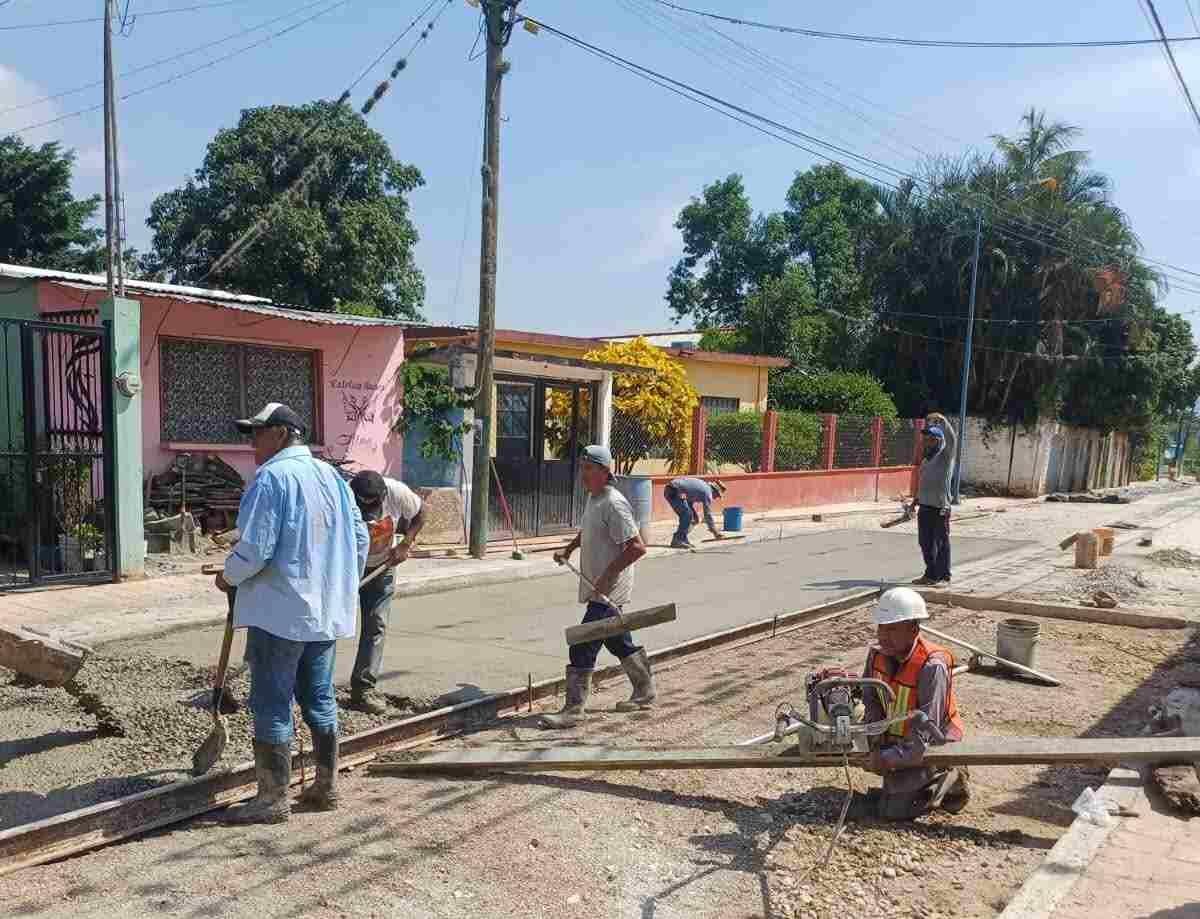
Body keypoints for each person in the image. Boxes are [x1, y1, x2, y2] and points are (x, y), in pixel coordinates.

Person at [215, 403, 368, 823]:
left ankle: (272, 798)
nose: (251, 443)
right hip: (323, 613)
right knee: (319, 696)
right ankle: (325, 786)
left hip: (280, 615)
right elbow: (359, 536)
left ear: (281, 434)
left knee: (270, 702)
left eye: (257, 433)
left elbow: (255, 548)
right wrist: (338, 582)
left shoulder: (272, 478)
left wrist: (228, 576)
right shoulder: (331, 477)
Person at [543, 445, 650, 728]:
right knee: (618, 641)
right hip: (599, 586)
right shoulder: (595, 499)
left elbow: (638, 547)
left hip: (608, 590)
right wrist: (568, 549)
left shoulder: (614, 503)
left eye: (589, 468)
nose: (583, 474)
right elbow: (588, 530)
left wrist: (605, 577)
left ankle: (573, 710)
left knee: (582, 643)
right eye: (582, 468)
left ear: (605, 472)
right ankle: (644, 690)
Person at [857, 587, 969, 820]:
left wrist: (886, 759)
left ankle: (952, 774)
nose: (884, 636)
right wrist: (873, 741)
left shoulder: (932, 666)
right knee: (891, 791)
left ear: (914, 629)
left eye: (893, 628)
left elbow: (927, 734)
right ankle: (906, 777)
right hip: (900, 737)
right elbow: (871, 700)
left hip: (936, 740)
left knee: (892, 811)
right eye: (881, 627)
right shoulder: (877, 654)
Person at [347, 470, 426, 715]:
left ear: (383, 496)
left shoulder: (396, 491)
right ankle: (314, 690)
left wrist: (405, 543)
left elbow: (422, 512)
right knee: (330, 626)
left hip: (383, 567)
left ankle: (363, 689)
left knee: (376, 625)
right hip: (347, 567)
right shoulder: (341, 496)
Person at [911, 412, 957, 586]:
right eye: (926, 439)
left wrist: (942, 421)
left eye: (931, 439)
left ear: (938, 441)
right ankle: (930, 574)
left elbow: (952, 440)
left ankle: (944, 576)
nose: (927, 442)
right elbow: (923, 484)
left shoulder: (945, 457)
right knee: (925, 543)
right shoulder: (926, 461)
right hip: (925, 507)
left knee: (941, 542)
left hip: (940, 508)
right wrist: (915, 500)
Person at [663, 476, 727, 549]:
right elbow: (707, 514)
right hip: (673, 491)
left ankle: (682, 538)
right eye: (717, 495)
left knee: (693, 519)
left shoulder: (703, 487)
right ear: (715, 491)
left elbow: (689, 500)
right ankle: (678, 540)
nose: (715, 498)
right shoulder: (708, 493)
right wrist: (715, 532)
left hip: (673, 489)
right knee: (687, 515)